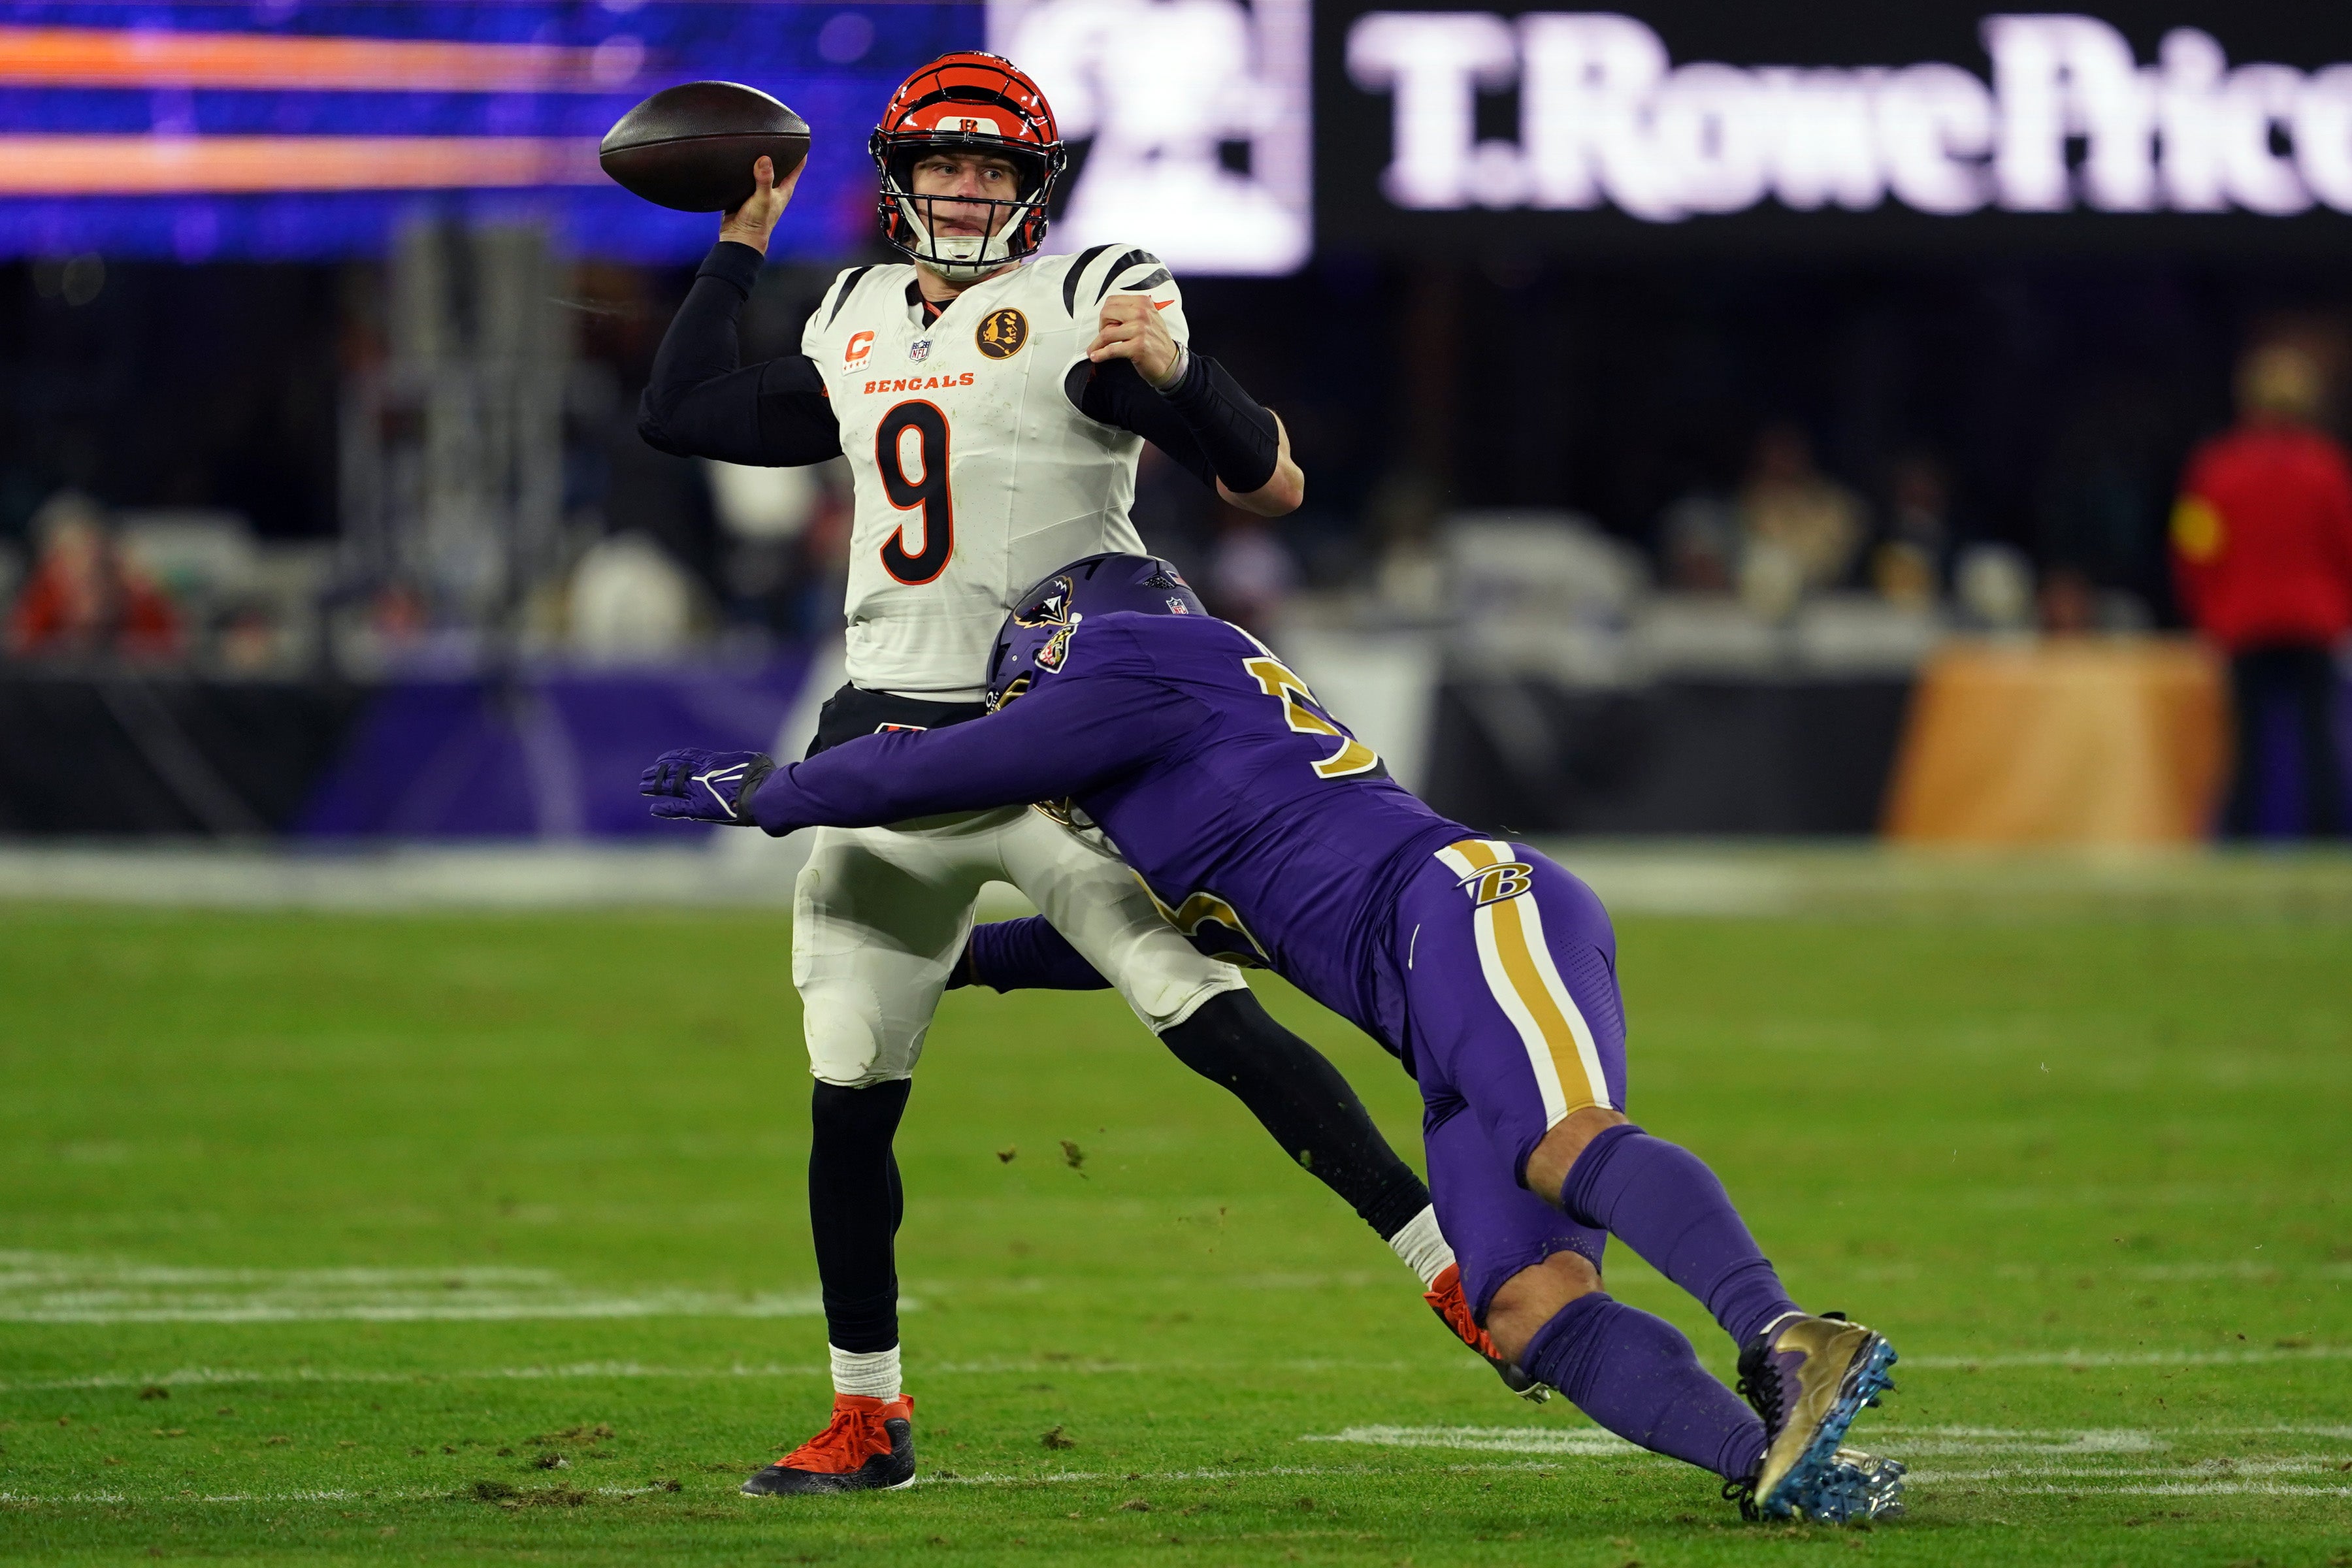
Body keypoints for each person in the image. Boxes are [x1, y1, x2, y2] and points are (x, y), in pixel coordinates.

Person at [634, 52, 1505, 1495]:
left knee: (1207, 1016)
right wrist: (738, 240)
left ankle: (1455, 1272)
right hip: (885, 745)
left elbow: (1264, 483)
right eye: (943, 167)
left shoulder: (1088, 293)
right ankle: (870, 1416)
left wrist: (1179, 376)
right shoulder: (850, 311)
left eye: (991, 170)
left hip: (1054, 736)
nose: (965, 191)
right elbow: (684, 413)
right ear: (900, 181)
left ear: (1033, 190)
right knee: (849, 1094)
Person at [642, 553, 1907, 1524]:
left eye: (1029, 664)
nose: (1024, 688)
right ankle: (1771, 1464)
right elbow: (1134, 936)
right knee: (1522, 1308)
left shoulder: (1146, 655)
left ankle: (1783, 1330)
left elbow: (943, 766)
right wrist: (953, 963)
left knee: (1558, 1140)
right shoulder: (1172, 775)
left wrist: (773, 793)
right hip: (1426, 1004)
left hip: (1466, 906)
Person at [2173, 344, 2352, 838]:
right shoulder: (2326, 469)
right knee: (2318, 737)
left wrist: (2208, 611)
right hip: (2315, 620)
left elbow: (2195, 549)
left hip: (2244, 619)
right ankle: (2328, 837)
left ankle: (2245, 836)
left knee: (2248, 741)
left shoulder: (2217, 470)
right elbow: (2346, 545)